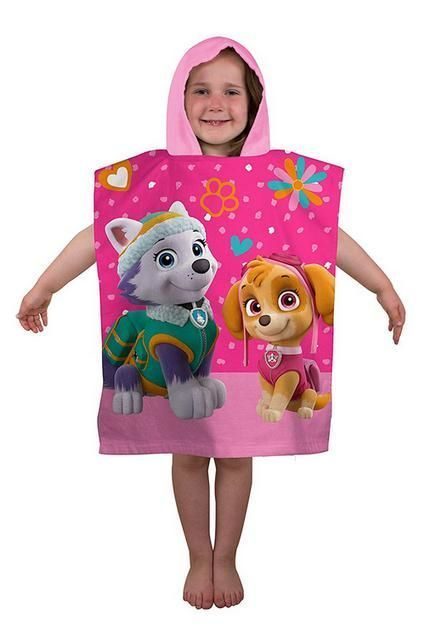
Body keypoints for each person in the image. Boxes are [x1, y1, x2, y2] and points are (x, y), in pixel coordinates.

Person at [16, 38, 406, 611]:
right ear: (179, 99)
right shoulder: (156, 178)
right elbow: (98, 236)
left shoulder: (281, 178)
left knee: (238, 455)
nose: (215, 103)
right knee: (189, 454)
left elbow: (328, 235)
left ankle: (227, 556)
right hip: (177, 350)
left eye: (231, 91)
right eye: (200, 90)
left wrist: (381, 286)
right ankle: (199, 555)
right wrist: (46, 285)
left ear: (254, 103)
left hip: (243, 357)